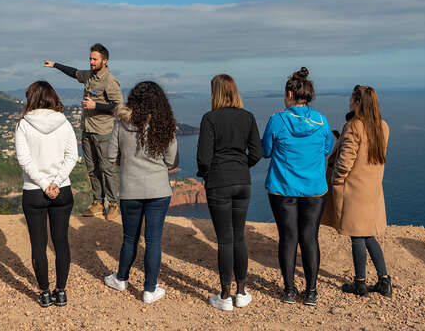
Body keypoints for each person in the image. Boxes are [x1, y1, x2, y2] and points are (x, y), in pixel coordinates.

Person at [261, 67, 334, 306]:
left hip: (283, 189)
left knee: (288, 238)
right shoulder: (322, 121)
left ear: (290, 95)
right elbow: (326, 149)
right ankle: (311, 291)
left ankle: (290, 290)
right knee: (310, 238)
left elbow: (266, 151)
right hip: (314, 188)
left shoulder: (277, 120)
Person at [103, 81, 178, 304]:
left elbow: (110, 157)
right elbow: (172, 161)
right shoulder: (165, 126)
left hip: (130, 190)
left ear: (133, 99)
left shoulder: (121, 124)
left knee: (129, 238)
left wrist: (127, 164)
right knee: (153, 240)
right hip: (158, 190)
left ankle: (121, 278)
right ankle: (149, 289)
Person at [196, 74, 262, 311]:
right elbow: (257, 152)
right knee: (239, 236)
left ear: (215, 93)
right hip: (242, 182)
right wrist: (242, 166)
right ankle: (242, 292)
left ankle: (224, 295)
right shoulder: (248, 117)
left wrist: (208, 173)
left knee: (225, 239)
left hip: (219, 182)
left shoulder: (209, 118)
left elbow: (203, 158)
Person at [322, 85, 392, 297]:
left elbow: (345, 161)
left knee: (357, 237)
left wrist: (337, 181)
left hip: (353, 189)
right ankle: (384, 280)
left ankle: (360, 284)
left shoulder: (354, 126)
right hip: (372, 189)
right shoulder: (383, 126)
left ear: (358, 102)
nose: (349, 102)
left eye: (352, 99)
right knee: (367, 234)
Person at [14, 81, 78, 307]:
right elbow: (72, 156)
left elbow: (24, 160)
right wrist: (56, 182)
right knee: (61, 243)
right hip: (62, 191)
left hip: (34, 192)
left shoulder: (24, 124)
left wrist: (42, 184)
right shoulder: (64, 122)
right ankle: (61, 292)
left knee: (38, 245)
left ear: (31, 98)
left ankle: (43, 293)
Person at [43, 43, 122, 220]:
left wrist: (97, 105)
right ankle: (98, 202)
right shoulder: (90, 76)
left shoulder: (110, 81)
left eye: (95, 59)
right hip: (87, 129)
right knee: (92, 168)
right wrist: (55, 65)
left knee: (107, 169)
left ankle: (114, 204)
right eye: (90, 59)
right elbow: (74, 73)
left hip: (103, 132)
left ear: (105, 60)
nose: (91, 62)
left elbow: (118, 106)